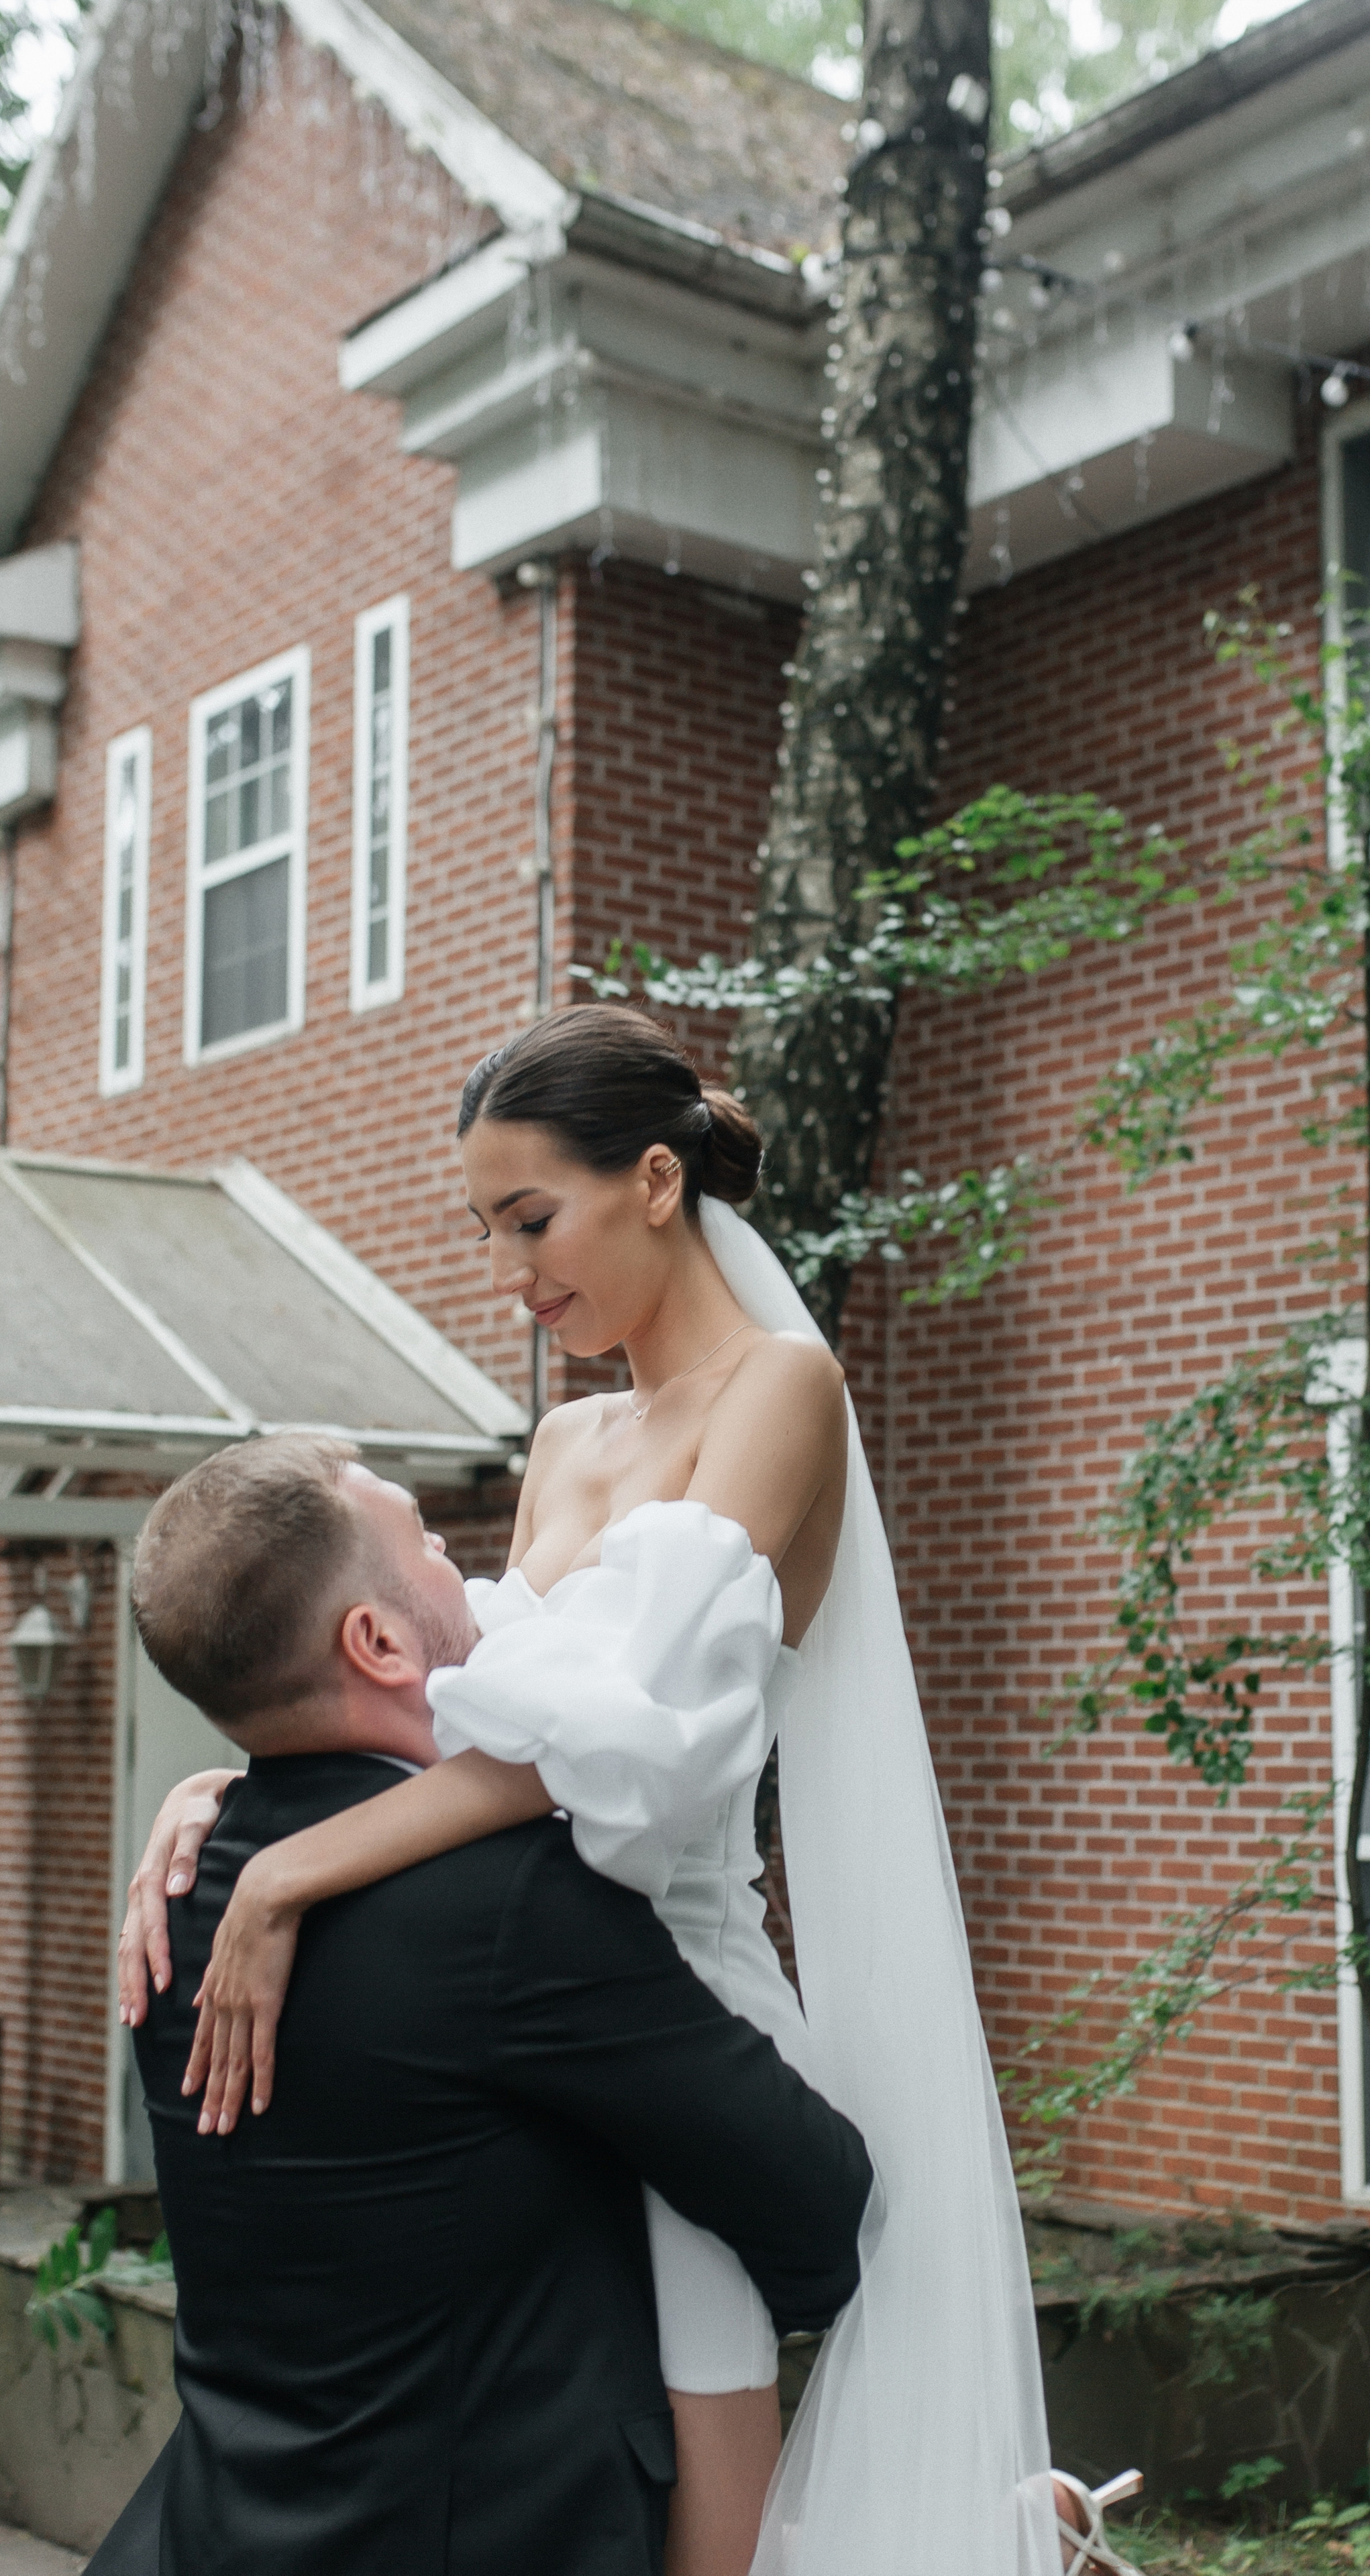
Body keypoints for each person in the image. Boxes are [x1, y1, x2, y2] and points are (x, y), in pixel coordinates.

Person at [122, 1004, 1067, 2576]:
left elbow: (635, 1742)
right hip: (532, 1993)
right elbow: (476, 1715)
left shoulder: (781, 1392)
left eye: (529, 1219)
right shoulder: (564, 1440)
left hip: (675, 1993)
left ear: (651, 1181)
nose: (510, 1272)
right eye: (486, 1231)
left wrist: (296, 1869)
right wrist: (234, 1791)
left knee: (716, 2514)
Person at [93, 1433, 872, 2576]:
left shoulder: (171, 1899)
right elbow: (815, 2213)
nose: (470, 1574)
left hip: (219, 2536)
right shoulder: (508, 1906)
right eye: (431, 1543)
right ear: (377, 1641)